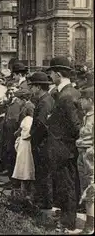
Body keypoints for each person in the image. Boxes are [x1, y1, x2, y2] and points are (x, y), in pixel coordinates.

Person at [46, 56, 83, 232]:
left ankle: (68, 222)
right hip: (61, 148)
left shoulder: (67, 96)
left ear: (58, 74)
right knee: (63, 183)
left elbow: (76, 126)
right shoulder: (65, 93)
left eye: (51, 73)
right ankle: (64, 216)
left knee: (67, 185)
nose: (50, 76)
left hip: (65, 149)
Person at [29, 71, 55, 210]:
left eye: (32, 86)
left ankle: (45, 203)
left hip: (42, 143)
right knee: (44, 172)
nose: (31, 89)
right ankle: (44, 200)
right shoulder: (47, 99)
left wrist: (33, 138)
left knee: (43, 172)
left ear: (38, 87)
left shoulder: (44, 102)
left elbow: (41, 124)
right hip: (45, 142)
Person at [76, 83, 94, 234]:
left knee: (91, 189)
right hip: (83, 154)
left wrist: (89, 153)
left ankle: (89, 225)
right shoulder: (86, 117)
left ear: (91, 101)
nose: (81, 102)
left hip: (90, 156)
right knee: (86, 188)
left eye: (83, 99)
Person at [12, 111, 35, 200]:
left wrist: (18, 134)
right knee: (28, 168)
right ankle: (28, 192)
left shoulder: (26, 119)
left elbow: (19, 131)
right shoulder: (32, 120)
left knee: (22, 167)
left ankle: (23, 190)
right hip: (28, 144)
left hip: (24, 144)